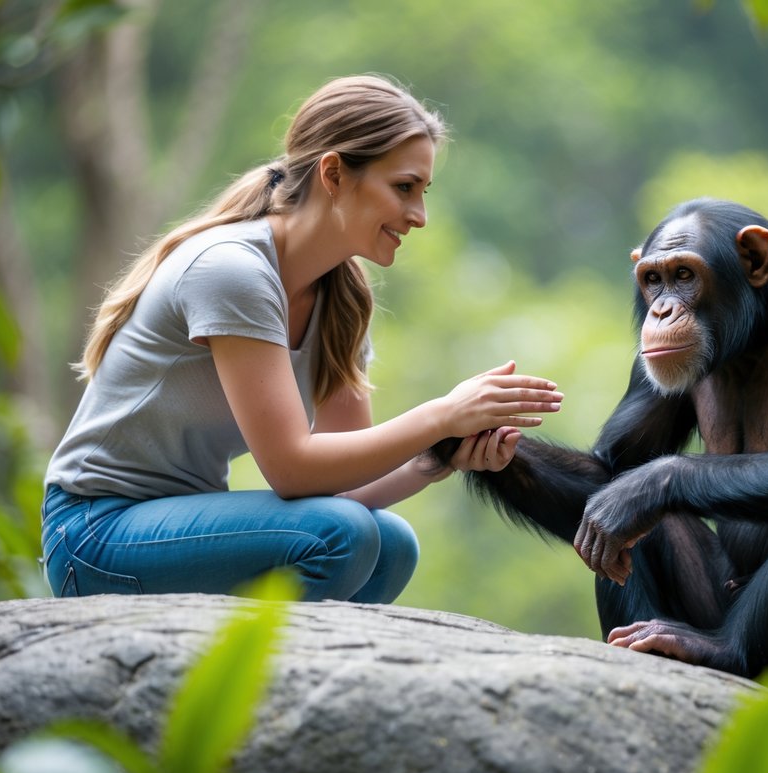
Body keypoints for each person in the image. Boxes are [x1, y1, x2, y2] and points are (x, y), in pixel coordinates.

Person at [41, 75, 563, 603]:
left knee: (391, 544)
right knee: (340, 535)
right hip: (93, 531)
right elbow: (292, 469)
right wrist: (442, 413)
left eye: (423, 193)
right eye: (403, 188)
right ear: (334, 173)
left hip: (174, 527)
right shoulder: (232, 270)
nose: (419, 216)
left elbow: (345, 490)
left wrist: (442, 456)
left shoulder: (342, 300)